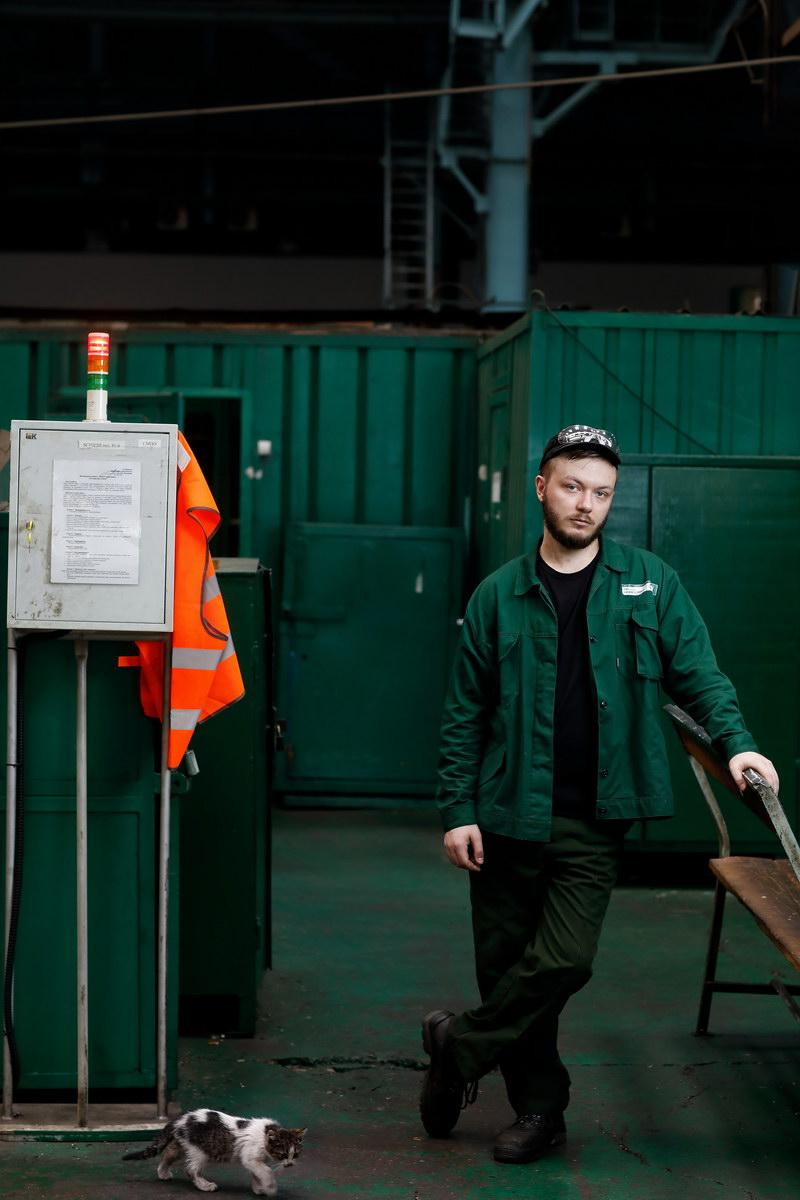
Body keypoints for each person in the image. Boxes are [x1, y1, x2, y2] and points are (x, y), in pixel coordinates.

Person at [420, 423, 779, 1165]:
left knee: (562, 962)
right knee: (508, 965)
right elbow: (463, 714)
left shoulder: (650, 582)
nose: (587, 504)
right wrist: (458, 811)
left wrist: (738, 741)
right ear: (542, 487)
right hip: (507, 811)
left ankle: (457, 1049)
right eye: (574, 486)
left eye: (602, 493)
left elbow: (700, 675)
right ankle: (539, 1110)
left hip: (595, 814)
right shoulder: (499, 596)